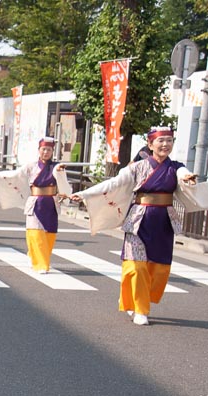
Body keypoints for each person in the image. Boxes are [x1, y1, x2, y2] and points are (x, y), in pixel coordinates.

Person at [73, 127, 206, 326]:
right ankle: (140, 309)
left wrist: (187, 178)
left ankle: (130, 298)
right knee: (137, 266)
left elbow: (183, 175)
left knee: (159, 269)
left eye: (169, 140)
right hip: (138, 221)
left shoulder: (176, 167)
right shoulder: (136, 168)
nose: (165, 144)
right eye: (160, 141)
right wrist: (85, 194)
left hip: (163, 222)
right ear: (150, 144)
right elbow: (113, 183)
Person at [0, 137, 62, 273]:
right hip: (35, 202)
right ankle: (41, 264)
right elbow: (15, 175)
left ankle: (38, 257)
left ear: (53, 151)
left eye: (49, 150)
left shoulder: (56, 167)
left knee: (49, 235)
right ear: (39, 150)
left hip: (50, 203)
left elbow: (64, 184)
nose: (46, 152)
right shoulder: (31, 166)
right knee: (36, 233)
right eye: (43, 149)